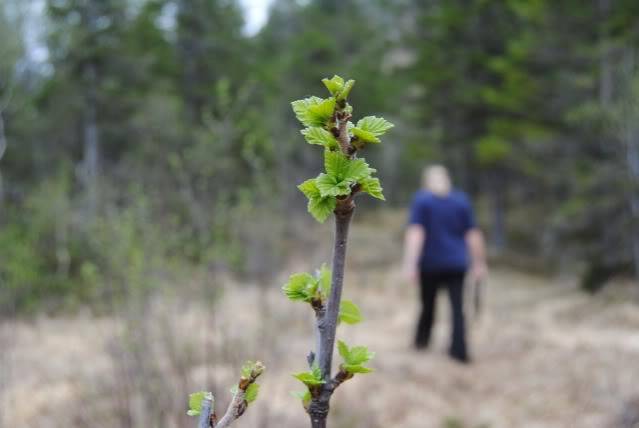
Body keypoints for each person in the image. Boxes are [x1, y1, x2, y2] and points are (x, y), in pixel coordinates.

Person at [401, 165, 487, 363]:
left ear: (427, 181)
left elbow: (416, 233)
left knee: (428, 304)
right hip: (457, 263)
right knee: (457, 308)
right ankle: (459, 351)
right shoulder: (461, 201)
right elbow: (473, 234)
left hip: (430, 263)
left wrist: (410, 264)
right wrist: (479, 263)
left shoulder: (422, 200)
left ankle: (421, 342)